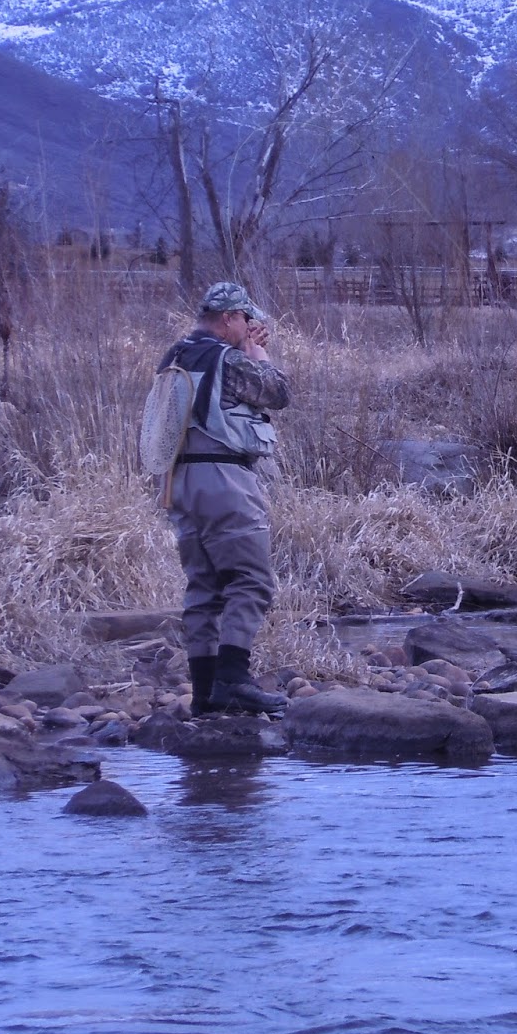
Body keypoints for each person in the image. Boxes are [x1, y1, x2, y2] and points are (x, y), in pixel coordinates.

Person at [157, 281, 291, 715]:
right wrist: (259, 353)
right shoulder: (228, 359)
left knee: (203, 587)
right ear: (229, 318)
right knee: (250, 580)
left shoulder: (172, 356)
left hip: (178, 482)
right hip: (223, 480)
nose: (250, 328)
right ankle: (233, 681)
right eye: (246, 320)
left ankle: (204, 693)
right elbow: (277, 392)